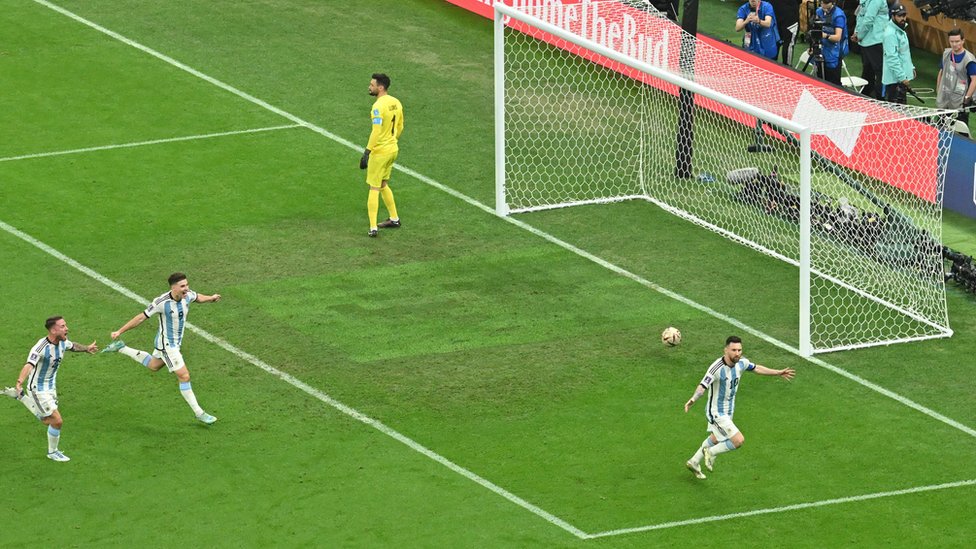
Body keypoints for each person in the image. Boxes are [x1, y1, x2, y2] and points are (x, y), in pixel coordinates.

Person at [100, 272, 220, 424]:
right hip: (167, 345)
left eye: (187, 285)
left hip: (174, 343)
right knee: (184, 376)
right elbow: (141, 317)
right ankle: (199, 412)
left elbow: (198, 297)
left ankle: (121, 348)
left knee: (154, 366)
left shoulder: (187, 295)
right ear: (173, 287)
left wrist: (211, 298)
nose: (186, 288)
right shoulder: (161, 302)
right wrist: (120, 331)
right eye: (183, 286)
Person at [683, 336, 795, 479]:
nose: (737, 353)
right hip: (716, 412)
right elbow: (702, 386)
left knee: (716, 438)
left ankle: (694, 461)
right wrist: (693, 399)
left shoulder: (741, 363)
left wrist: (778, 372)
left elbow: (757, 368)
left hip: (729, 411)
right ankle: (710, 453)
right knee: (738, 440)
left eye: (739, 350)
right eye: (734, 350)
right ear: (726, 350)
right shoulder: (716, 368)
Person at [2, 316, 97, 462]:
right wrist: (20, 381)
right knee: (56, 420)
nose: (67, 328)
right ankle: (52, 452)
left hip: (51, 387)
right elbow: (29, 364)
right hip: (37, 389)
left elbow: (73, 346)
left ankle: (19, 397)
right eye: (63, 326)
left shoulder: (62, 342)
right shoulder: (41, 347)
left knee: (51, 420)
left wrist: (86, 348)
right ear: (53, 330)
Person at [360, 73, 404, 238]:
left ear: (380, 87)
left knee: (374, 187)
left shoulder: (378, 107)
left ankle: (373, 227)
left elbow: (376, 131)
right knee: (383, 183)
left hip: (380, 153)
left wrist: (367, 151)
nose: (369, 87)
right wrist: (392, 140)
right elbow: (400, 126)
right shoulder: (396, 102)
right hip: (393, 149)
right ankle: (394, 218)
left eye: (372, 85)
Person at [936, 29, 976, 128]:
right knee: (941, 126)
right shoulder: (946, 54)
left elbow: (974, 80)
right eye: (952, 41)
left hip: (960, 100)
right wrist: (938, 90)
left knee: (961, 130)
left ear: (963, 41)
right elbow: (941, 71)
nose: (954, 44)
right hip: (945, 97)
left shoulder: (969, 59)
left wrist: (967, 98)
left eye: (957, 41)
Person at [851, 0, 888, 99]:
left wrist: (858, 34)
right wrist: (858, 34)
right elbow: (867, 18)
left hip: (867, 40)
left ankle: (866, 95)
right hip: (875, 40)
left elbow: (862, 17)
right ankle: (880, 98)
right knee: (879, 71)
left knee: (869, 70)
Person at [882, 3, 914, 104]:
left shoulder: (900, 30)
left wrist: (911, 68)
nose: (903, 18)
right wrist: (902, 77)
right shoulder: (890, 34)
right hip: (894, 80)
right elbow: (892, 58)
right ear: (893, 16)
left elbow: (905, 53)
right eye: (899, 16)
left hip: (899, 78)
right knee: (896, 111)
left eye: (904, 15)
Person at [814, 0, 849, 85]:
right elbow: (815, 30)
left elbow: (837, 37)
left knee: (833, 83)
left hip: (835, 52)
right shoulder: (819, 11)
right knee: (819, 80)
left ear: (832, 2)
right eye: (822, 2)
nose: (823, 5)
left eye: (826, 3)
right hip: (821, 50)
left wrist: (825, 35)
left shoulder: (838, 15)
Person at [769, 0, 800, 64]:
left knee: (775, 41)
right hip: (790, 18)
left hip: (775, 16)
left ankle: (771, 65)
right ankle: (787, 67)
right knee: (788, 44)